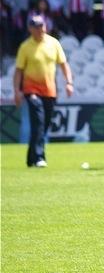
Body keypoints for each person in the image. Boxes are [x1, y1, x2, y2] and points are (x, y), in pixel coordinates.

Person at [13, 15, 74, 167]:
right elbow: (19, 71)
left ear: (45, 27)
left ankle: (31, 158)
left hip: (50, 91)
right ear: (30, 29)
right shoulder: (25, 47)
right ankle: (40, 157)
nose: (39, 29)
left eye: (41, 26)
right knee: (38, 122)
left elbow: (63, 64)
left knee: (43, 125)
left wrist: (69, 83)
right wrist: (17, 91)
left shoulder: (53, 43)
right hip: (31, 89)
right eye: (35, 26)